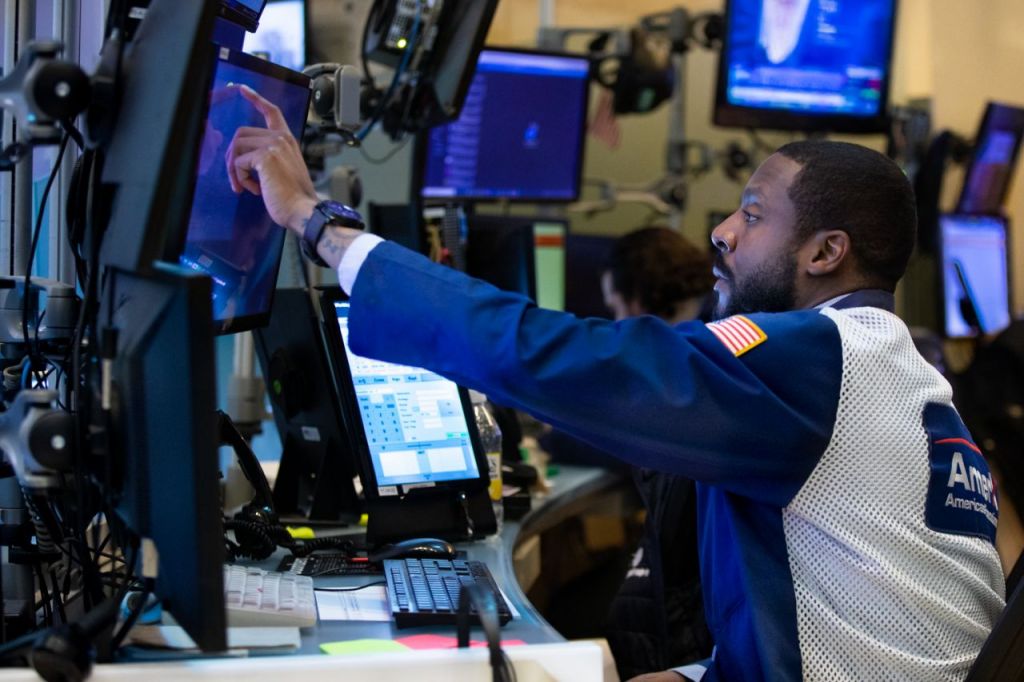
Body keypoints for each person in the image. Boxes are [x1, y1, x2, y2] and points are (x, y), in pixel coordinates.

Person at [227, 84, 1005, 680]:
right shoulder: (909, 380)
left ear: (825, 253)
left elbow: (553, 356)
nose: (721, 233)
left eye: (752, 215)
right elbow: (853, 624)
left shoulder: (814, 356)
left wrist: (319, 224)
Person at [599, 228, 716, 678]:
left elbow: (618, 430)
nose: (616, 323)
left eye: (616, 308)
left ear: (638, 299)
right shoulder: (716, 333)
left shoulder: (689, 360)